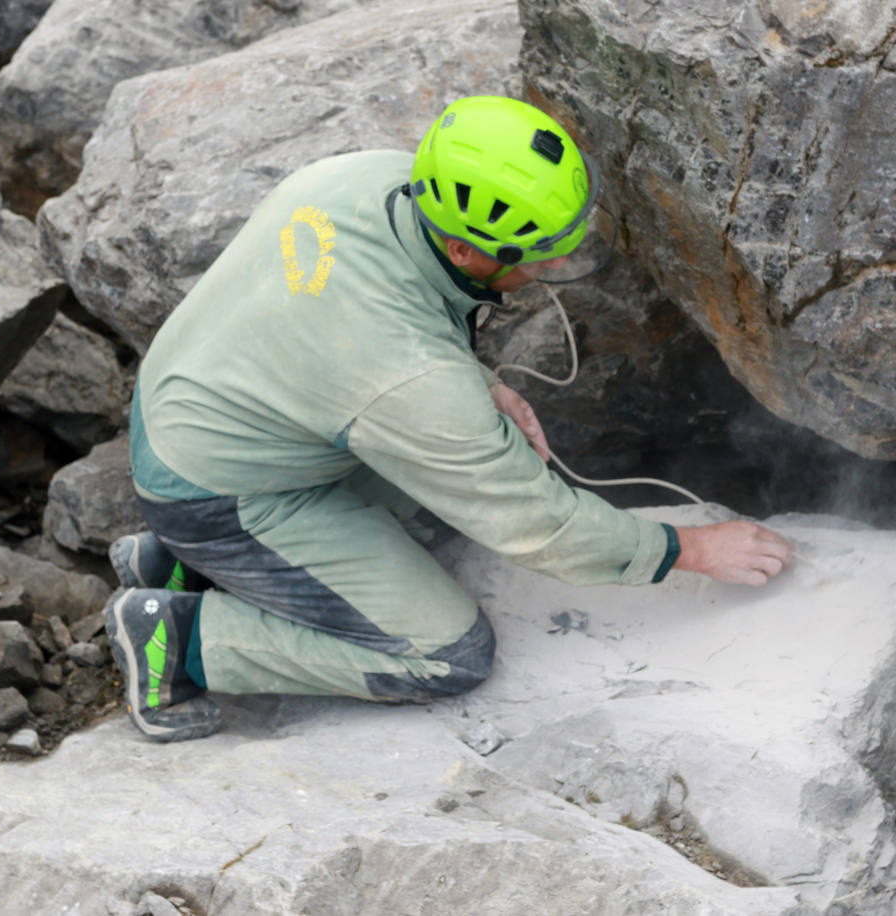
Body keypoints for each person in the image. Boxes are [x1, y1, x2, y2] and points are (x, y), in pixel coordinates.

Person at [102, 95, 794, 743]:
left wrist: (477, 382)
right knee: (447, 655)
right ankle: (176, 637)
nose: (552, 263)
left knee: (441, 514)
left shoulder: (368, 179)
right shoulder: (408, 377)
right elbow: (540, 528)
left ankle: (176, 565)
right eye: (538, 255)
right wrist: (690, 550)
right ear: (464, 250)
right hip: (220, 493)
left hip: (198, 407)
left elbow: (343, 327)